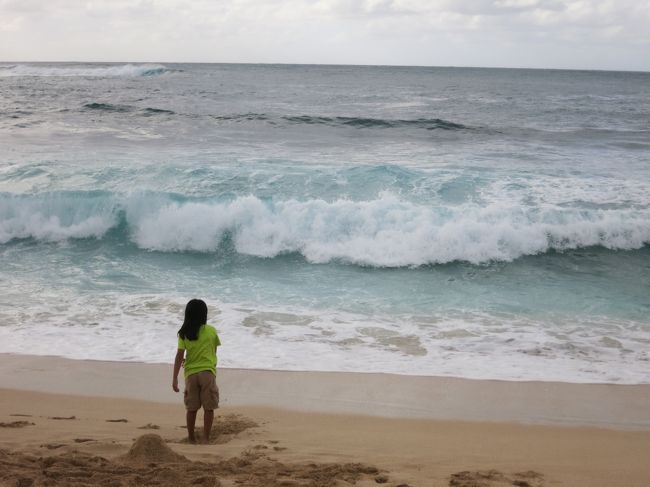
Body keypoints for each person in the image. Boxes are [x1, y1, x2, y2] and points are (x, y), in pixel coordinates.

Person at [172, 299, 221, 444]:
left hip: (191, 375)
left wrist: (174, 378)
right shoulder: (211, 330)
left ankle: (191, 438)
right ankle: (206, 438)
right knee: (209, 408)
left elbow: (179, 356)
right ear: (204, 315)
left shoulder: (184, 334)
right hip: (207, 373)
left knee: (191, 408)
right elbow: (214, 351)